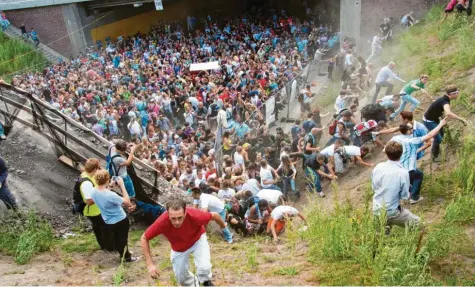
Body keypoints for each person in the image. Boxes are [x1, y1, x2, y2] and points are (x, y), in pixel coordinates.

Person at [141, 198, 229, 286]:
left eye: (180, 218)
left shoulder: (195, 215)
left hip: (197, 239)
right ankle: (193, 283)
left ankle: (206, 282)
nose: (177, 222)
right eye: (173, 218)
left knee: (204, 267)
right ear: (167, 214)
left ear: (185, 213)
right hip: (179, 247)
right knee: (181, 278)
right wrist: (150, 264)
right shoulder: (161, 222)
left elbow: (215, 215)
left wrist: (224, 228)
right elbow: (144, 238)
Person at [390, 118, 447, 204]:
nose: (412, 130)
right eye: (410, 129)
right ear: (408, 131)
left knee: (410, 178)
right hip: (408, 168)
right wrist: (440, 124)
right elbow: (430, 135)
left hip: (398, 167)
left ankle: (409, 193)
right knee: (418, 175)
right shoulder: (412, 141)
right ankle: (414, 197)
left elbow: (385, 150)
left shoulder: (395, 138)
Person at [372, 141, 421, 230]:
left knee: (382, 237)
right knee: (420, 225)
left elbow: (374, 186)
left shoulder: (379, 166)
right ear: (401, 153)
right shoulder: (403, 172)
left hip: (377, 209)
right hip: (392, 210)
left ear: (386, 153)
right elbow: (405, 196)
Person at [90, 170, 138, 262]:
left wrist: (110, 186)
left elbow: (103, 193)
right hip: (120, 219)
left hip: (108, 220)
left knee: (116, 237)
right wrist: (122, 185)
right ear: (107, 179)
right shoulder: (111, 195)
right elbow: (127, 202)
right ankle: (126, 257)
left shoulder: (93, 191)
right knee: (123, 238)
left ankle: (122, 251)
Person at [423, 85, 468, 161]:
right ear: (451, 94)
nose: (458, 94)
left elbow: (440, 109)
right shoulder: (445, 102)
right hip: (429, 121)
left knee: (442, 133)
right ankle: (434, 157)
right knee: (438, 139)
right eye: (456, 93)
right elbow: (448, 113)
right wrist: (461, 119)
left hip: (435, 118)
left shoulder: (445, 99)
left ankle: (437, 148)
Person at [78, 158, 113, 251]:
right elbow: (89, 201)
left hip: (98, 209)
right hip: (93, 211)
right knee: (104, 228)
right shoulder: (86, 183)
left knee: (100, 228)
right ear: (94, 169)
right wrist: (102, 196)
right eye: (98, 167)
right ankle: (109, 247)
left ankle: (105, 246)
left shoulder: (89, 175)